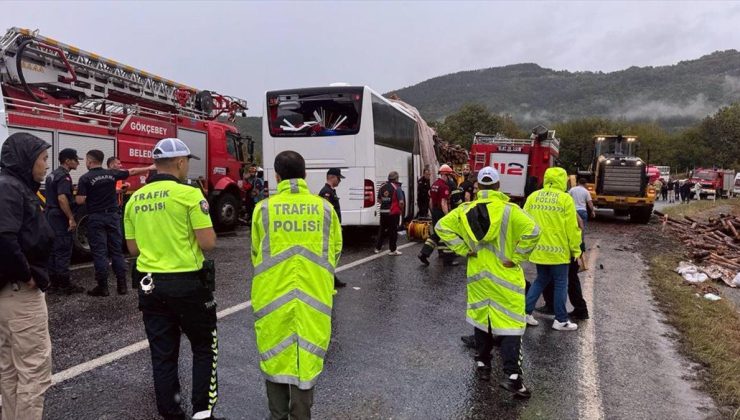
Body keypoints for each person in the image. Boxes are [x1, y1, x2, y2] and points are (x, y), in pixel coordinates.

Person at [123, 138, 220, 420]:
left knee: (163, 353)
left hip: (150, 284)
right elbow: (208, 242)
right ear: (179, 162)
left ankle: (171, 413)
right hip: (188, 284)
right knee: (204, 347)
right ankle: (202, 413)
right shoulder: (189, 194)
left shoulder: (134, 199)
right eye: (187, 161)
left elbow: (133, 249)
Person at [251, 150, 342, 420]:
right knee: (308, 355)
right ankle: (301, 415)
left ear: (277, 176)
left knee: (274, 354)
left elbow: (256, 253)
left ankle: (277, 415)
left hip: (271, 298)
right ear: (305, 175)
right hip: (315, 297)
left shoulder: (263, 209)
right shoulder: (324, 208)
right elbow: (335, 251)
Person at [436, 167, 540, 398]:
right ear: (498, 186)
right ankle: (513, 377)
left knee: (482, 318)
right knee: (511, 325)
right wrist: (517, 258)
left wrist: (463, 249)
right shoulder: (509, 211)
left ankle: (483, 364)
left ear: (478, 187)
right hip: (505, 278)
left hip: (479, 276)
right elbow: (533, 231)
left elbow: (440, 227)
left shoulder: (465, 210)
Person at [0, 132, 54, 420]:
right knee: (33, 371)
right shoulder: (10, 188)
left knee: (10, 370)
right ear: (26, 159)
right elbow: (5, 238)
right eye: (43, 159)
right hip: (20, 293)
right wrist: (27, 274)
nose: (46, 165)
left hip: (7, 294)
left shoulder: (11, 185)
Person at [76, 150, 153, 296]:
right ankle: (122, 286)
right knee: (116, 252)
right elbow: (132, 171)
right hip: (112, 217)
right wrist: (151, 168)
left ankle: (103, 287)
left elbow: (80, 200)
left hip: (96, 218)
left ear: (90, 161)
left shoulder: (85, 178)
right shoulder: (112, 174)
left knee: (100, 253)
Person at [523, 167, 582, 331]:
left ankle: (526, 313)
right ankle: (561, 320)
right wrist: (576, 249)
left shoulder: (533, 196)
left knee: (541, 279)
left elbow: (524, 221)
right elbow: (572, 228)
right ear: (563, 180)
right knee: (561, 283)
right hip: (558, 251)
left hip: (538, 249)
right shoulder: (565, 199)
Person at [45, 148, 84, 295]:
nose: (77, 163)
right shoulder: (64, 177)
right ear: (67, 161)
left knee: (53, 251)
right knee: (63, 250)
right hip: (59, 217)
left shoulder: (53, 174)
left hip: (50, 215)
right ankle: (64, 285)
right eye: (75, 160)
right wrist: (71, 218)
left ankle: (53, 284)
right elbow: (62, 198)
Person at [418, 164, 458, 266]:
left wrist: (433, 212)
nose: (450, 178)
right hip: (441, 212)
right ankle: (448, 260)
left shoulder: (434, 184)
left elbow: (431, 201)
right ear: (446, 175)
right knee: (447, 233)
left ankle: (424, 253)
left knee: (436, 233)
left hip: (435, 211)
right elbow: (443, 203)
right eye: (450, 176)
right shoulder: (444, 187)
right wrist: (448, 216)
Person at [318, 168, 347, 288]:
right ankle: (330, 279)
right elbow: (326, 212)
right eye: (339, 178)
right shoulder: (326, 192)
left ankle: (332, 278)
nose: (340, 181)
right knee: (329, 254)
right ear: (333, 177)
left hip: (332, 228)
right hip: (328, 229)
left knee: (331, 254)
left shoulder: (330, 191)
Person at [375, 171, 405, 255]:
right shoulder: (397, 188)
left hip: (383, 212)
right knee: (393, 231)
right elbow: (401, 202)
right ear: (396, 178)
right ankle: (393, 250)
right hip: (393, 213)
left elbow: (379, 200)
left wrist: (385, 204)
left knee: (382, 230)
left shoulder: (382, 186)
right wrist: (401, 210)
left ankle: (377, 248)